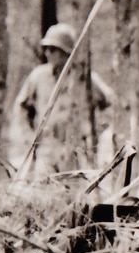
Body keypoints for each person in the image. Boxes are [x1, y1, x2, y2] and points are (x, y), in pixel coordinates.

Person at [9, 22, 117, 177]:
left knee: (75, 195)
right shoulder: (38, 76)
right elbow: (21, 107)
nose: (48, 53)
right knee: (44, 194)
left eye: (53, 49)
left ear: (66, 52)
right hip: (46, 148)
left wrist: (96, 131)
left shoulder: (84, 79)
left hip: (76, 150)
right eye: (46, 48)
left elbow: (110, 105)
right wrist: (28, 136)